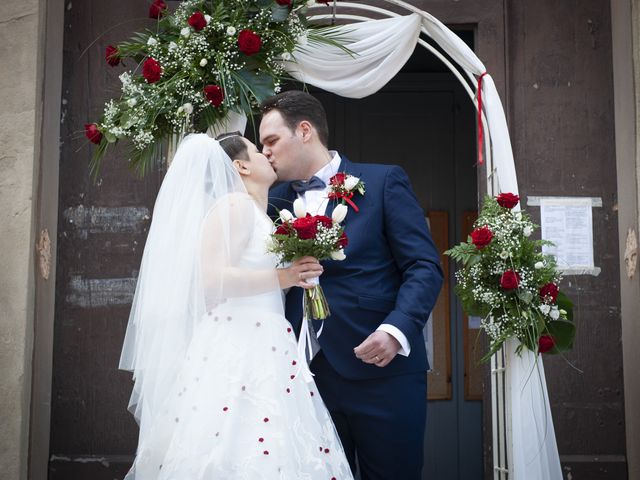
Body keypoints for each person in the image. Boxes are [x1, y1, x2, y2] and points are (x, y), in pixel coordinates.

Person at [119, 132, 354, 479]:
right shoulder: (235, 205)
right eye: (258, 151)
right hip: (241, 343)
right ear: (241, 165)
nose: (267, 156)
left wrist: (297, 276)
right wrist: (284, 277)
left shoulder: (261, 214)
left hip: (269, 342)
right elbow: (212, 279)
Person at [262, 90, 444, 480]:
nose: (265, 154)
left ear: (305, 131)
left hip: (383, 371)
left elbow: (424, 266)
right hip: (304, 377)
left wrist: (396, 330)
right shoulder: (270, 201)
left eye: (272, 141)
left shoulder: (382, 182)